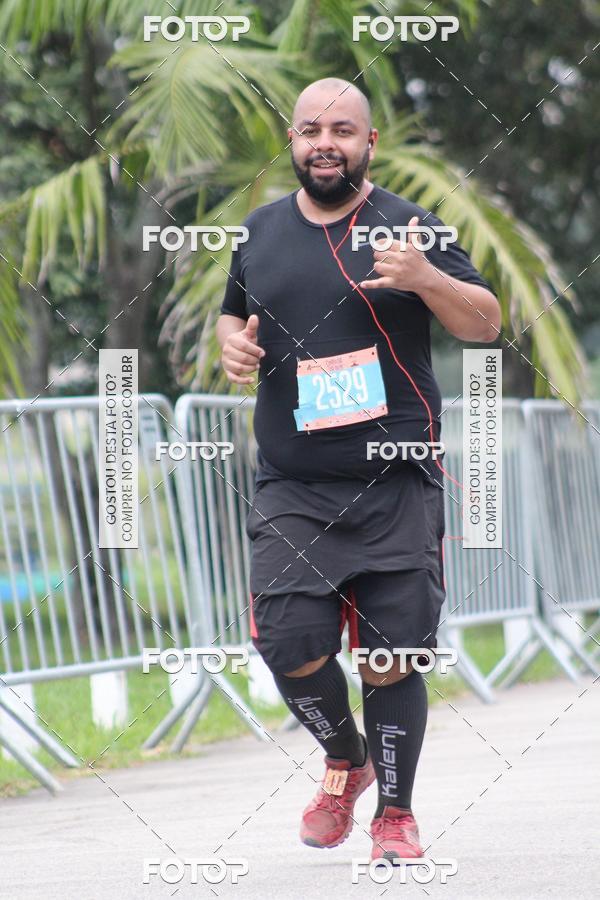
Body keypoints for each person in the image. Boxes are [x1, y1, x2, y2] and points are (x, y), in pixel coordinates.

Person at [216, 77, 500, 862]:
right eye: (309, 129)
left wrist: (426, 280)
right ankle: (346, 761)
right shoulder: (261, 231)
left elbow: (486, 324)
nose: (324, 142)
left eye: (342, 129)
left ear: (368, 142)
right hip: (292, 483)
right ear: (294, 141)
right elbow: (234, 313)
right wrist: (230, 345)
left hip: (395, 480)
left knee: (391, 654)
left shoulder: (411, 227)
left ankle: (395, 816)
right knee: (290, 641)